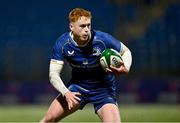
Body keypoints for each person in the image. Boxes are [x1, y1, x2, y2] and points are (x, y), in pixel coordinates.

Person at [40, 8, 132, 123]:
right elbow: (53, 74)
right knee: (48, 119)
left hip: (103, 90)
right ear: (71, 27)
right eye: (82, 26)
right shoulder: (63, 44)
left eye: (88, 25)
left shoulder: (102, 39)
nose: (87, 30)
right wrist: (66, 92)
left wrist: (126, 67)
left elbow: (126, 51)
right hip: (78, 88)